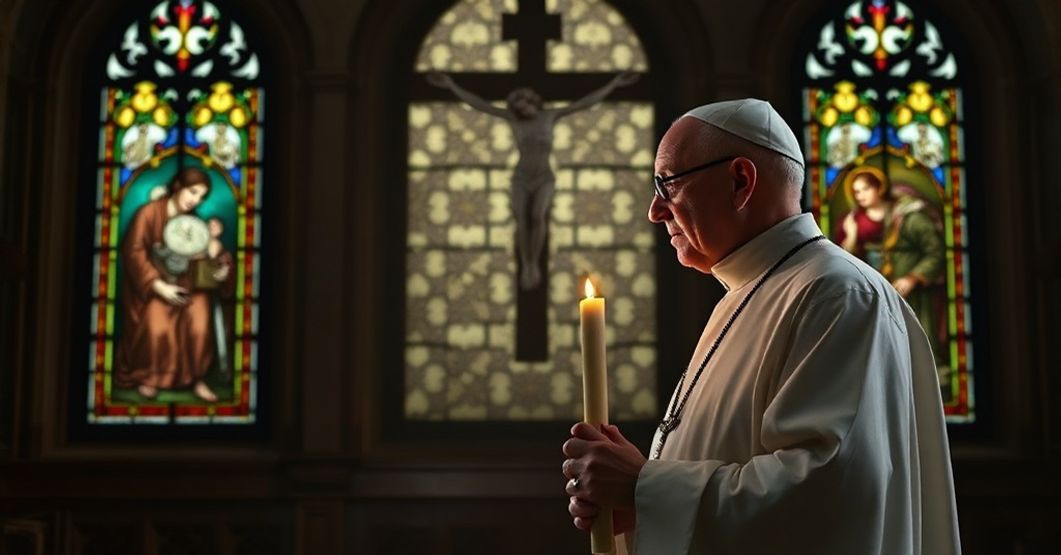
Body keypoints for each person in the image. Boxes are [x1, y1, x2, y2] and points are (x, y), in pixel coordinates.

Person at [561, 99, 961, 554]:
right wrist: (637, 505)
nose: (656, 210)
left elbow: (825, 493)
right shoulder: (749, 294)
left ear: (740, 181)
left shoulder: (837, 293)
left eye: (666, 184)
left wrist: (644, 487)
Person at [427, 71, 638, 290]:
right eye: (516, 107)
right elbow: (480, 105)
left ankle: (533, 262)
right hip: (521, 176)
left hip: (544, 177)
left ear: (532, 102)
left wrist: (613, 84)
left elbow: (583, 103)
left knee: (538, 216)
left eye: (523, 104)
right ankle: (526, 263)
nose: (521, 110)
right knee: (521, 219)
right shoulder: (513, 120)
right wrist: (451, 86)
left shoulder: (549, 116)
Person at [114, 167, 232, 403]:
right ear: (178, 186)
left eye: (201, 196)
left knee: (200, 323)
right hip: (155, 287)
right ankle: (151, 376)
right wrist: (158, 286)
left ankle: (195, 377)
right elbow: (134, 252)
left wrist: (221, 266)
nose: (195, 200)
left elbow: (204, 255)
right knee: (157, 325)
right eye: (193, 192)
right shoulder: (147, 214)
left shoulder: (195, 222)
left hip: (188, 285)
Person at [836, 167, 950, 387]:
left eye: (865, 188)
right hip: (872, 297)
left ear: (879, 188)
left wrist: (913, 277)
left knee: (918, 349)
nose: (860, 195)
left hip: (912, 296)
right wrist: (851, 236)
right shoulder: (854, 221)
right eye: (856, 191)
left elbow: (935, 253)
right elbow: (843, 260)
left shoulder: (910, 217)